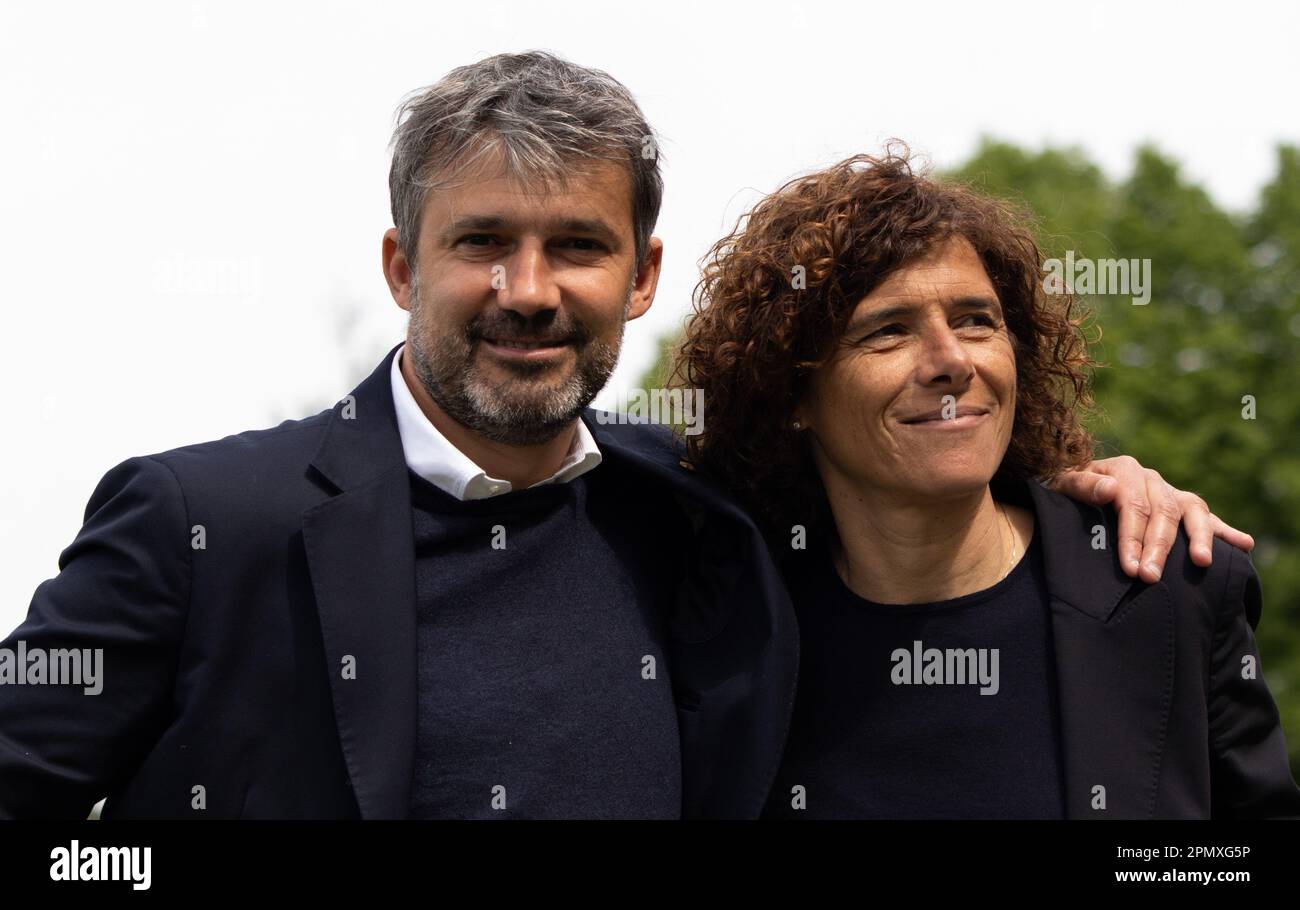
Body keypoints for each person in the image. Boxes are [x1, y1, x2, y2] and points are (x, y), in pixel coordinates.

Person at [0, 56, 1245, 820]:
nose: (529, 290)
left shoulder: (702, 518)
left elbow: (917, 477)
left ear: (642, 276)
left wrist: (1078, 483)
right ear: (401, 266)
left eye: (579, 246)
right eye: (482, 241)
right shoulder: (201, 522)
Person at [674, 147, 1300, 818]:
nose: (950, 361)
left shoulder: (1171, 589)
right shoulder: (726, 636)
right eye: (888, 332)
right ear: (793, 395)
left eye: (976, 320)